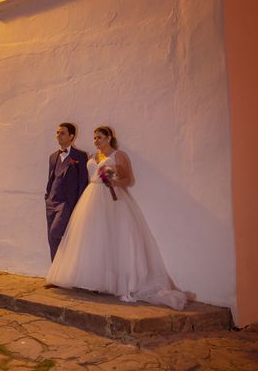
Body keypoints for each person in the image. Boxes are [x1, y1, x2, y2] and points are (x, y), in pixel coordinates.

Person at [46, 125, 187, 310]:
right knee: (90, 239)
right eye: (94, 138)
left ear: (109, 138)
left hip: (111, 199)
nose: (96, 141)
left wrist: (113, 181)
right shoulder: (93, 157)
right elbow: (90, 177)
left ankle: (110, 281)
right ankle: (89, 280)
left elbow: (128, 180)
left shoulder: (118, 156)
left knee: (111, 238)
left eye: (99, 138)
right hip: (90, 198)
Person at [44, 123, 89, 261]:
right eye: (57, 133)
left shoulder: (80, 156)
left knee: (55, 232)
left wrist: (79, 204)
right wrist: (47, 197)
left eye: (62, 133)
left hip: (66, 202)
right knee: (51, 238)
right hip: (52, 201)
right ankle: (55, 273)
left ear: (71, 136)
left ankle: (64, 269)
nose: (58, 136)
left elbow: (83, 182)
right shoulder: (53, 156)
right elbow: (51, 178)